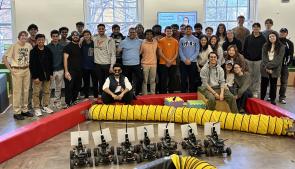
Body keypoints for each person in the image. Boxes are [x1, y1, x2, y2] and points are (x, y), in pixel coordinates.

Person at [2, 31, 34, 120]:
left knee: (26, 91)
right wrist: (10, 69)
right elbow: (4, 58)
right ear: (19, 37)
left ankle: (24, 110)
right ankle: (17, 112)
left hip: (26, 70)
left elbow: (32, 56)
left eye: (25, 35)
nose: (24, 37)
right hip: (17, 70)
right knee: (17, 92)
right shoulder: (14, 46)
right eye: (22, 35)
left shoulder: (29, 45)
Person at [29, 34, 54, 116]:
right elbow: (31, 65)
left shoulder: (48, 50)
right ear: (36, 41)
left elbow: (51, 63)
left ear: (44, 40)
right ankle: (37, 108)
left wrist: (50, 73)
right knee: (36, 92)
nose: (41, 41)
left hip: (47, 75)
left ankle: (45, 106)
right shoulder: (33, 51)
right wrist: (34, 77)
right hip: (37, 76)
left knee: (46, 91)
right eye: (39, 40)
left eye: (42, 39)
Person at [260, 31, 285, 105]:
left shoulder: (281, 46)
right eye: (270, 36)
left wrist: (269, 67)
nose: (271, 38)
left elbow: (278, 59)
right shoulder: (265, 45)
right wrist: (267, 67)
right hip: (265, 67)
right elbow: (264, 57)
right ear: (268, 38)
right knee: (263, 84)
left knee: (273, 85)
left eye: (273, 36)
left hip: (275, 68)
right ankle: (262, 98)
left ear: (276, 37)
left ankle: (272, 99)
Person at [243, 23, 266, 98]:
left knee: (256, 76)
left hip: (258, 61)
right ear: (252, 28)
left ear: (259, 28)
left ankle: (255, 91)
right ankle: (249, 91)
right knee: (249, 76)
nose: (256, 29)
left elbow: (265, 50)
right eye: (254, 27)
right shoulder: (248, 37)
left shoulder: (263, 38)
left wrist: (262, 59)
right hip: (248, 60)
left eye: (257, 27)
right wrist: (245, 58)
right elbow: (244, 48)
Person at [118, 27, 143, 96]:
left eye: (134, 32)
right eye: (131, 32)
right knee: (127, 81)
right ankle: (128, 94)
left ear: (136, 33)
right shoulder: (123, 42)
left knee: (140, 78)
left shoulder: (140, 41)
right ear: (128, 33)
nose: (132, 33)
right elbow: (118, 51)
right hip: (126, 64)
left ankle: (137, 93)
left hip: (136, 64)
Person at [93, 24, 116, 94]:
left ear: (105, 29)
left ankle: (109, 95)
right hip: (97, 64)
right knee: (100, 81)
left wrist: (112, 66)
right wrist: (81, 39)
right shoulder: (94, 38)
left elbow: (113, 54)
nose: (101, 30)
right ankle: (101, 96)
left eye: (102, 29)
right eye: (99, 29)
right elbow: (86, 37)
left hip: (107, 64)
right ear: (97, 30)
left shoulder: (110, 40)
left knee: (108, 82)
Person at [63, 31, 83, 107]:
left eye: (77, 35)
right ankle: (67, 103)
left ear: (79, 37)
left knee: (77, 86)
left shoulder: (80, 46)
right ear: (71, 37)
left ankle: (74, 100)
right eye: (74, 35)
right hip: (70, 71)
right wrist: (66, 71)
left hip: (79, 70)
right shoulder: (67, 47)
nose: (75, 36)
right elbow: (65, 59)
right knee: (69, 87)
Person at [179, 25, 200, 92]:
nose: (188, 30)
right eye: (187, 29)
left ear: (192, 30)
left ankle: (192, 93)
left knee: (192, 79)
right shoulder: (181, 39)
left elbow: (197, 51)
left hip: (193, 62)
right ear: (184, 30)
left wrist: (190, 59)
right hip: (183, 62)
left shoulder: (196, 39)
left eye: (189, 29)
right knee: (183, 79)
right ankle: (183, 93)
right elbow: (180, 50)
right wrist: (185, 59)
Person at [158, 26, 179, 94]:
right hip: (163, 63)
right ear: (165, 32)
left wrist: (171, 61)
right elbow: (160, 52)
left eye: (170, 31)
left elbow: (176, 53)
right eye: (167, 31)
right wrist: (167, 60)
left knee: (172, 79)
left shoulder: (175, 41)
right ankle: (162, 94)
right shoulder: (161, 41)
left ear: (172, 32)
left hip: (173, 63)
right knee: (163, 79)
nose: (169, 32)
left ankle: (171, 93)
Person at [47, 30, 65, 109]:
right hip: (51, 71)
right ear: (51, 37)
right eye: (53, 36)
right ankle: (47, 103)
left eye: (56, 36)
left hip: (60, 70)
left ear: (59, 37)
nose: (55, 38)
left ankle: (57, 102)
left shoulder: (62, 47)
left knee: (58, 87)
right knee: (48, 87)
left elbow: (64, 59)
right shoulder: (47, 47)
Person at [81, 30, 98, 98]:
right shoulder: (81, 43)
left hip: (94, 66)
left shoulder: (94, 43)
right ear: (83, 36)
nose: (86, 36)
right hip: (84, 67)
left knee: (95, 82)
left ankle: (96, 96)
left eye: (88, 34)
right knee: (86, 83)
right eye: (85, 35)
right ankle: (86, 96)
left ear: (90, 35)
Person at [140, 29, 158, 95]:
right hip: (145, 64)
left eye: (150, 34)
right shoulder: (142, 43)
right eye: (147, 34)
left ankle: (153, 94)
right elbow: (139, 53)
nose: (149, 35)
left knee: (153, 80)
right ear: (145, 35)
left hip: (154, 64)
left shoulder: (156, 41)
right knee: (144, 81)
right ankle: (145, 94)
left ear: (153, 35)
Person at [279, 28, 294, 104]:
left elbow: (290, 55)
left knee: (284, 82)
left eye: (284, 32)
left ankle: (282, 97)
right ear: (279, 33)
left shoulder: (290, 43)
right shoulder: (275, 41)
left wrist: (286, 64)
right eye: (281, 32)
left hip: (284, 65)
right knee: (272, 81)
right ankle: (271, 96)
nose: (282, 33)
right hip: (275, 66)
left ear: (286, 34)